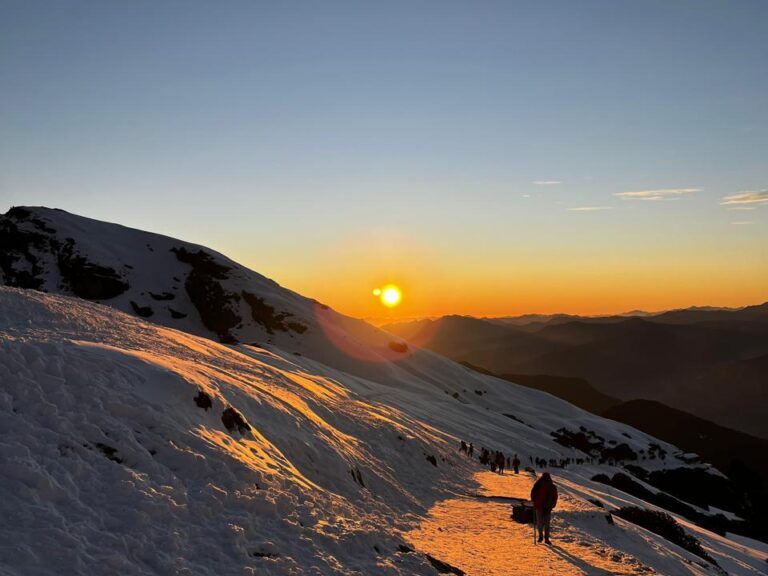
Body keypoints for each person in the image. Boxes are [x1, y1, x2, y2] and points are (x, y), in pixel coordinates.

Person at [530, 473, 558, 544]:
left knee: (542, 523)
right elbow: (533, 494)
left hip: (544, 507)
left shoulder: (540, 485)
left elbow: (554, 497)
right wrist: (534, 500)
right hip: (542, 506)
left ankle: (543, 538)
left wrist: (534, 500)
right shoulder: (539, 485)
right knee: (545, 523)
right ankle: (544, 538)